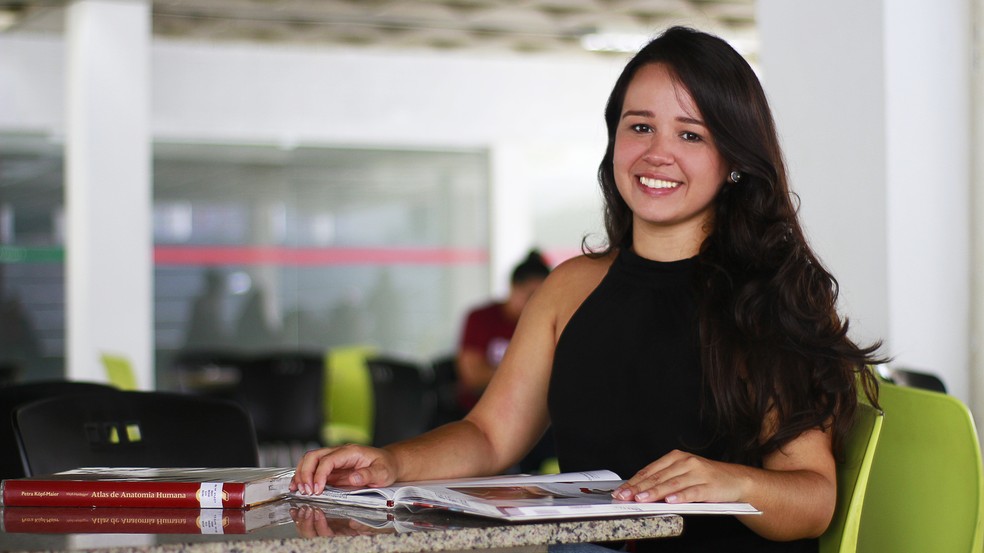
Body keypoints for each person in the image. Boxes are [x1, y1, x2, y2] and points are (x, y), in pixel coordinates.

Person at [292, 26, 882, 553]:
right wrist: (390, 463)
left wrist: (735, 480)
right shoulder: (569, 287)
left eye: (692, 135)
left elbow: (813, 502)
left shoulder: (773, 298)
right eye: (641, 126)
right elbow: (490, 435)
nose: (658, 153)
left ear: (733, 158)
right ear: (614, 140)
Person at [456, 249, 551, 413]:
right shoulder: (481, 318)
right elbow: (472, 376)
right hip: (478, 411)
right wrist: (532, 377)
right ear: (513, 287)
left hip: (531, 414)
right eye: (530, 296)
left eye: (543, 297)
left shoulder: (547, 323)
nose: (535, 303)